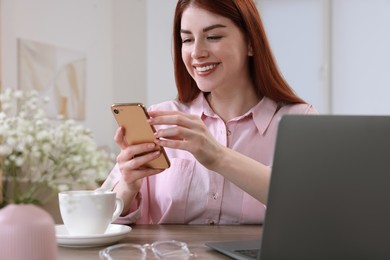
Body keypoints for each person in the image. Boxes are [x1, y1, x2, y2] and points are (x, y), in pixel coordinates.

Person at [101, 0, 318, 225]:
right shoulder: (158, 119)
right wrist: (128, 186)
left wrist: (218, 157)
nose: (197, 52)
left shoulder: (299, 122)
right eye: (187, 40)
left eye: (213, 37)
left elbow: (312, 207)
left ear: (251, 43)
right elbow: (99, 222)